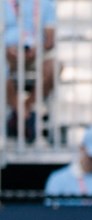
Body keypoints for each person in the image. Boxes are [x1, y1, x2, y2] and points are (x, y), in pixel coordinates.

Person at [4, 0, 60, 141]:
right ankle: (25, 116)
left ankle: (21, 112)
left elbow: (50, 39)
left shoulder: (46, 2)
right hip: (5, 54)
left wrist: (38, 48)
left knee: (54, 67)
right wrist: (7, 50)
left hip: (36, 54)